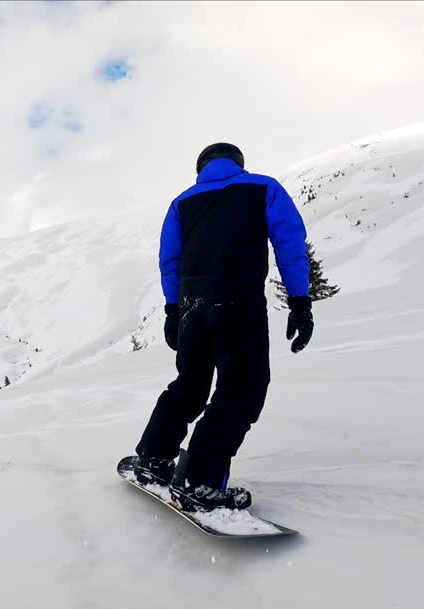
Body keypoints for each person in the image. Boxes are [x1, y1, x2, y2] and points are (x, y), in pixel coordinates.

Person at [133, 142, 314, 511]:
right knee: (243, 388)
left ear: (201, 168)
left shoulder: (182, 202)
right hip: (239, 302)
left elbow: (170, 261)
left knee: (190, 386)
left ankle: (153, 457)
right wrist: (299, 303)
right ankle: (201, 482)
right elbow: (290, 244)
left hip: (193, 307)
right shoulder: (264, 188)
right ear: (238, 164)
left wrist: (173, 310)